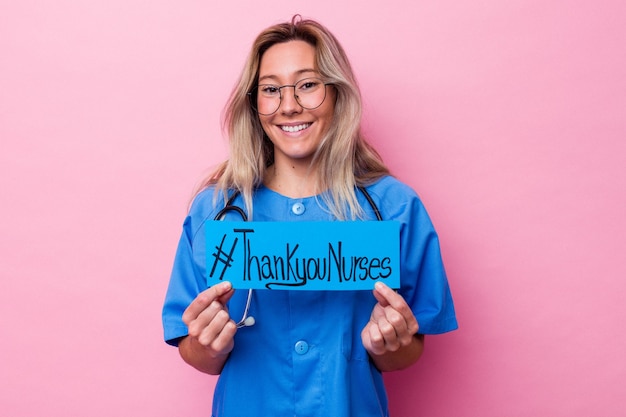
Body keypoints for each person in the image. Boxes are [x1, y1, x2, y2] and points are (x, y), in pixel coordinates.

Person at [162, 15, 457, 417]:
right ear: (255, 104)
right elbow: (195, 353)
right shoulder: (214, 211)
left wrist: (390, 343)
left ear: (336, 93)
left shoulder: (394, 208)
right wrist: (207, 343)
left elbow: (408, 352)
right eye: (270, 90)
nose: (289, 106)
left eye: (307, 85)